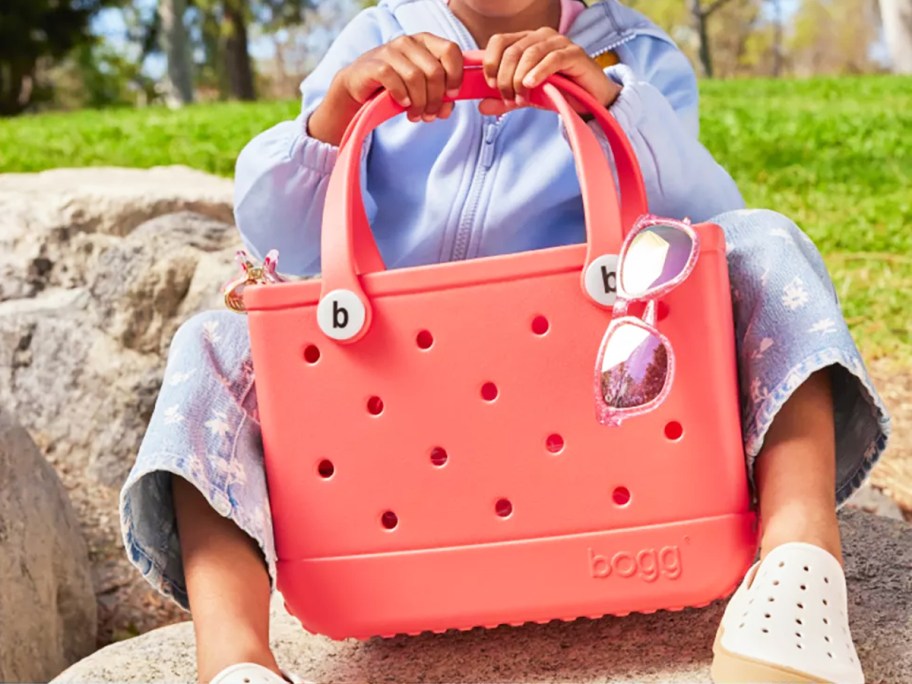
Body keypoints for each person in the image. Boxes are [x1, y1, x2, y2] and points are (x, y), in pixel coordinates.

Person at [119, 0, 891, 682]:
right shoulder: (376, 35)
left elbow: (699, 237)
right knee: (214, 347)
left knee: (762, 242)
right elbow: (279, 235)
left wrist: (612, 103)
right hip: (390, 405)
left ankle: (797, 566)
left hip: (592, 397)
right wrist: (337, 116)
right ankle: (235, 661)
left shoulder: (636, 54)